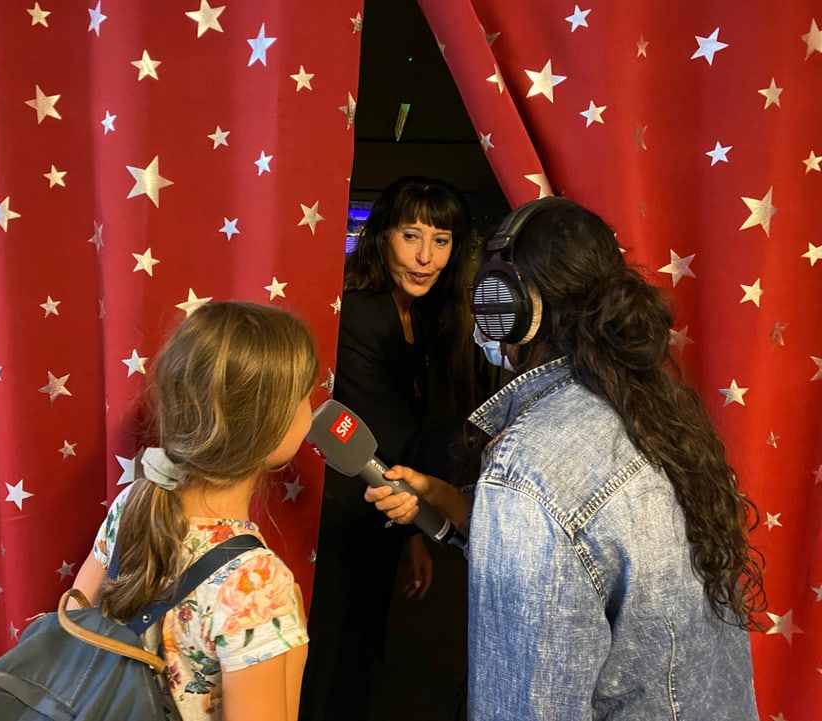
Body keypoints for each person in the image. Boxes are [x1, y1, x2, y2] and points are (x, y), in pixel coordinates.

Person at [366, 197, 766, 720]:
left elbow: (526, 706)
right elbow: (590, 556)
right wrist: (459, 508)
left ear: (510, 304)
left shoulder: (528, 466)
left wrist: (504, 499)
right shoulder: (652, 410)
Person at [69, 301, 319, 721]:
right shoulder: (257, 586)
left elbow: (74, 629)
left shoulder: (133, 503)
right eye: (305, 396)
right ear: (273, 424)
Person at [300, 176, 484, 721]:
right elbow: (377, 429)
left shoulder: (426, 316)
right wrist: (417, 517)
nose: (426, 256)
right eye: (411, 236)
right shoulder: (360, 309)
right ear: (382, 237)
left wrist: (412, 536)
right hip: (342, 512)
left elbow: (416, 431)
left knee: (358, 656)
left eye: (442, 240)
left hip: (386, 504)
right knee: (329, 659)